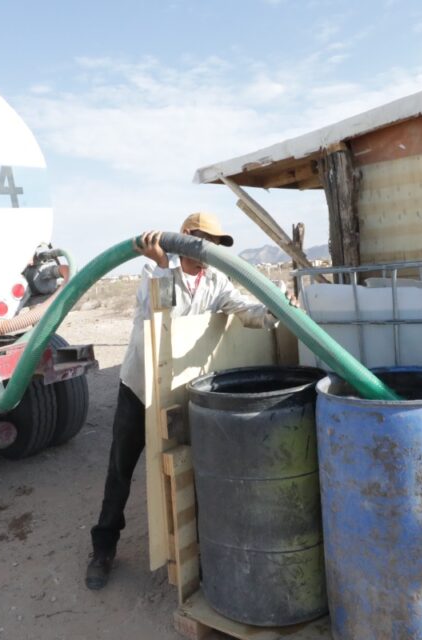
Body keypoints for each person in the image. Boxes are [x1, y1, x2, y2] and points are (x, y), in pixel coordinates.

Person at [85, 211, 275, 590]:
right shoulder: (156, 273)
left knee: (185, 465)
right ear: (186, 237)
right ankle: (103, 549)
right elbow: (159, 315)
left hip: (177, 390)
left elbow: (243, 310)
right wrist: (160, 264)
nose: (210, 250)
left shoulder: (215, 280)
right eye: (205, 241)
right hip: (139, 388)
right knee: (121, 469)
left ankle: (193, 548)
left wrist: (274, 311)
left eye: (217, 245)